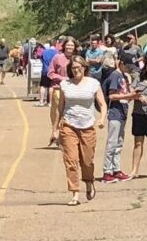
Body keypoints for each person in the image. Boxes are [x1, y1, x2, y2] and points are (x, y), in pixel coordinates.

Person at [49, 55, 108, 205]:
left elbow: (102, 104)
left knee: (87, 161)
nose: (76, 70)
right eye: (73, 68)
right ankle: (75, 193)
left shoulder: (93, 83)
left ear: (84, 68)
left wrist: (102, 119)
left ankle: (89, 182)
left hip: (87, 127)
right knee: (71, 160)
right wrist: (55, 129)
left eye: (79, 68)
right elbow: (60, 107)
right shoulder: (65, 84)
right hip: (69, 126)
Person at [100, 52, 134, 181]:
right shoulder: (115, 76)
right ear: (122, 63)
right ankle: (107, 171)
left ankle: (116, 169)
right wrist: (128, 96)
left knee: (119, 142)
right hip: (115, 113)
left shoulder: (124, 76)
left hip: (123, 112)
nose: (130, 69)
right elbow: (112, 95)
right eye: (129, 66)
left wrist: (130, 88)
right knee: (112, 142)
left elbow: (127, 93)